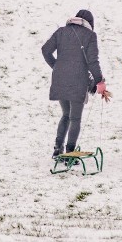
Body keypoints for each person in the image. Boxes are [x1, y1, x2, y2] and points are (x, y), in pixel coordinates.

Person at [41, 10, 109, 159]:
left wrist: (57, 67)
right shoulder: (90, 36)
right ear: (90, 23)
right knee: (75, 118)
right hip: (78, 81)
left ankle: (57, 149)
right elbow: (92, 61)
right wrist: (99, 80)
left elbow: (45, 50)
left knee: (65, 115)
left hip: (60, 80)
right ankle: (70, 153)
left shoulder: (61, 31)